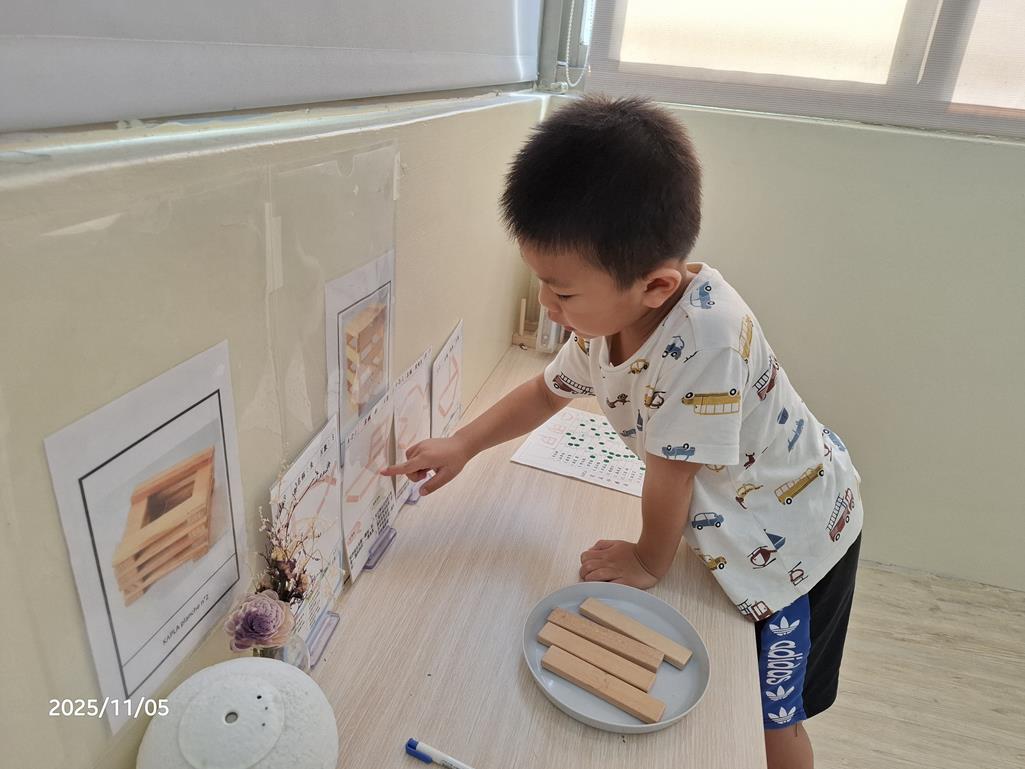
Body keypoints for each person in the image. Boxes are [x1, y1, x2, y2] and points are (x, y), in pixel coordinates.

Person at [381, 95, 862, 769]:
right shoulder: (610, 317)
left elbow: (672, 476)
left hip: (795, 539)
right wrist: (463, 444)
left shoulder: (707, 340)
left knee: (770, 721)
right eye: (541, 284)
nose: (547, 305)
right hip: (735, 519)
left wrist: (646, 560)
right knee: (743, 705)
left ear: (656, 286)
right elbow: (545, 392)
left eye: (561, 292)